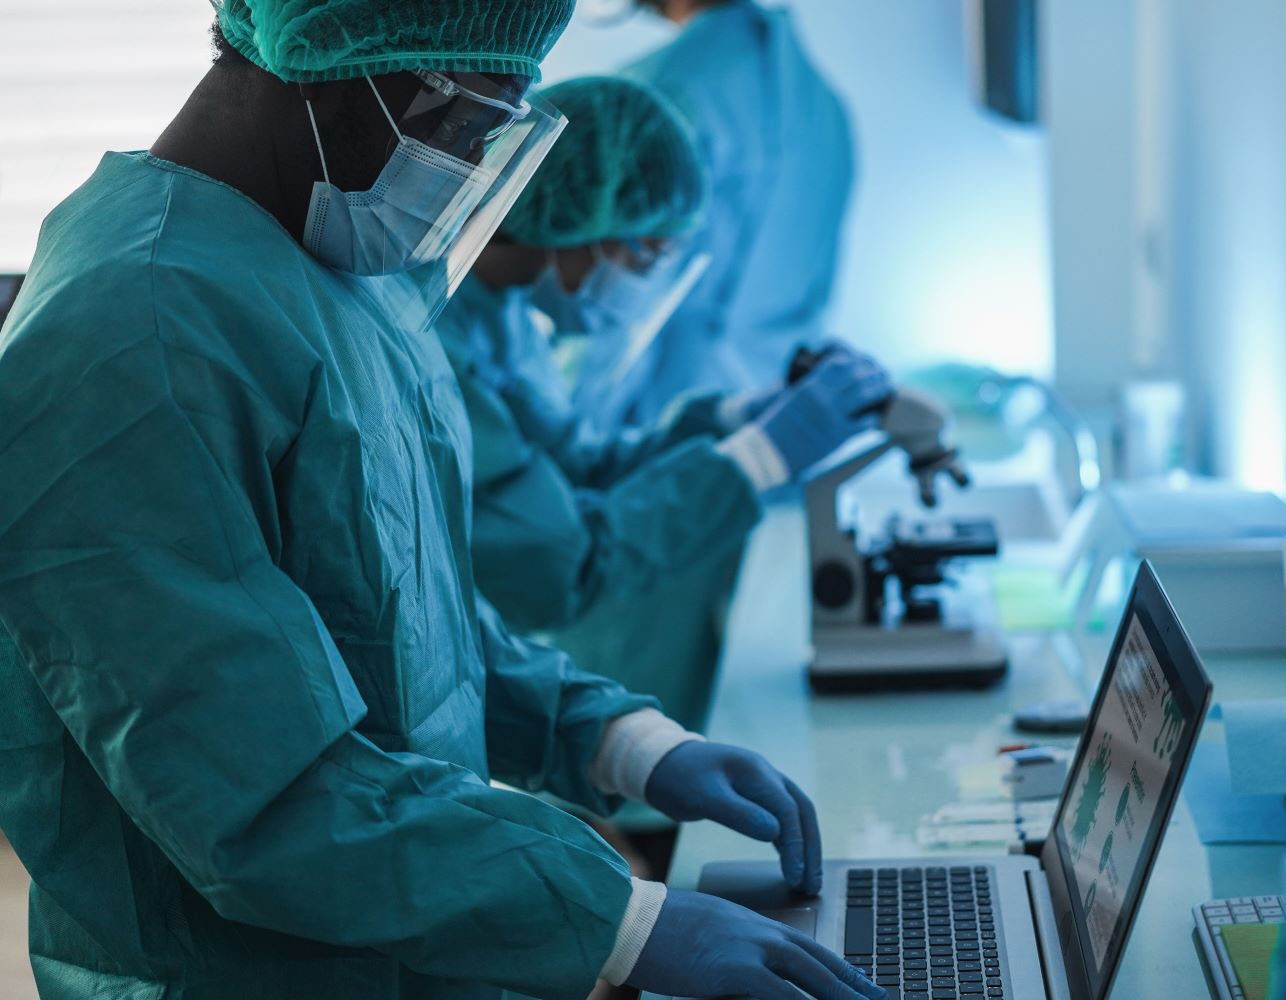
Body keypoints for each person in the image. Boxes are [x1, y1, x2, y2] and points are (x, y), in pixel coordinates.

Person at [0, 4, 885, 999]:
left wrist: (616, 739)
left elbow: (407, 613)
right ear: (343, 62)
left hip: (399, 944)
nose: (470, 175)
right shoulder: (133, 333)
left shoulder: (355, 276)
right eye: (468, 127)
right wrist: (624, 920)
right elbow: (261, 801)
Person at [439, 75, 890, 737]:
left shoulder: (503, 314)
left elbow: (575, 468)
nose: (644, 282)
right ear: (581, 219)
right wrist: (760, 458)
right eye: (646, 254)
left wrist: (736, 419)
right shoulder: (442, 341)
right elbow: (563, 565)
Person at [577, 0, 856, 429]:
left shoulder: (667, 87)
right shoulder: (824, 106)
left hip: (661, 423)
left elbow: (612, 296)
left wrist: (575, 427)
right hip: (773, 414)